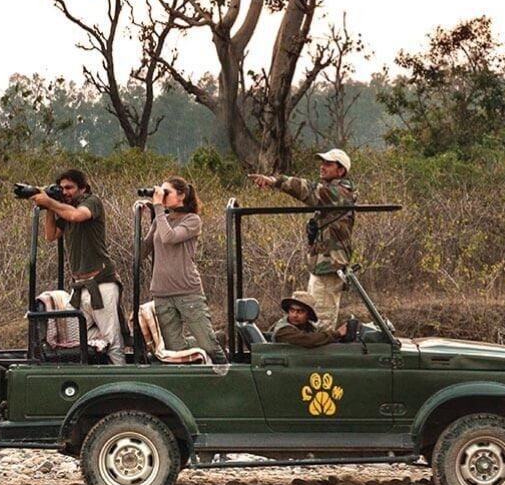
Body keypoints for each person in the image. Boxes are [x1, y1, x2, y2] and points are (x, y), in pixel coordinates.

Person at [249, 148, 357, 329]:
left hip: (330, 267)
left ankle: (320, 356)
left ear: (341, 170)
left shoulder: (340, 193)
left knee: (321, 322)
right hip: (322, 266)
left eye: (328, 164)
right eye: (322, 163)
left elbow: (309, 189)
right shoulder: (331, 193)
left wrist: (276, 181)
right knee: (313, 318)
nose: (322, 167)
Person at [29, 169, 125, 365]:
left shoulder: (91, 202)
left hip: (101, 283)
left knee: (112, 340)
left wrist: (50, 202)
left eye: (69, 188)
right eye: (62, 188)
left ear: (83, 188)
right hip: (81, 287)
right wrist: (49, 207)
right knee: (84, 339)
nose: (65, 192)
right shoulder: (65, 208)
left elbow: (77, 216)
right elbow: (51, 235)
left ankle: (122, 380)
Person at [142, 176, 227, 364]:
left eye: (167, 193)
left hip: (187, 291)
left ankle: (227, 373)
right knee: (175, 350)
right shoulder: (161, 220)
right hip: (162, 293)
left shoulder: (192, 220)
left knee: (209, 346)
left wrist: (157, 209)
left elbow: (169, 237)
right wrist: (140, 219)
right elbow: (141, 252)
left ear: (181, 195)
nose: (162, 197)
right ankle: (207, 346)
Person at [270, 291, 347, 347]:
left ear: (308, 315)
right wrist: (336, 334)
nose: (294, 315)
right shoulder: (283, 330)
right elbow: (308, 340)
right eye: (292, 310)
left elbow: (320, 333)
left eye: (300, 312)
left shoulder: (310, 327)